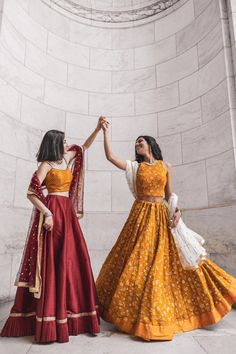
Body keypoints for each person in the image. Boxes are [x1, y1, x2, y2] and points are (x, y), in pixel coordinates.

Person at [96, 117, 236, 341]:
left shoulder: (166, 166)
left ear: (150, 144)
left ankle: (216, 294)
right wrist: (104, 133)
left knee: (166, 262)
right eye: (135, 143)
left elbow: (170, 194)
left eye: (140, 141)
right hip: (140, 217)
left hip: (161, 216)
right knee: (135, 261)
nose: (137, 145)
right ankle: (134, 315)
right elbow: (110, 157)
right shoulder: (136, 167)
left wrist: (177, 211)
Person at [1, 117, 106, 343]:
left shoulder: (65, 158)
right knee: (53, 260)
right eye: (65, 141)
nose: (68, 144)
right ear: (56, 143)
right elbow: (31, 192)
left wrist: (98, 129)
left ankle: (77, 316)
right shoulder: (46, 165)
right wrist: (47, 214)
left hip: (67, 213)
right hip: (54, 212)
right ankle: (50, 318)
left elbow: (84, 148)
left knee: (73, 260)